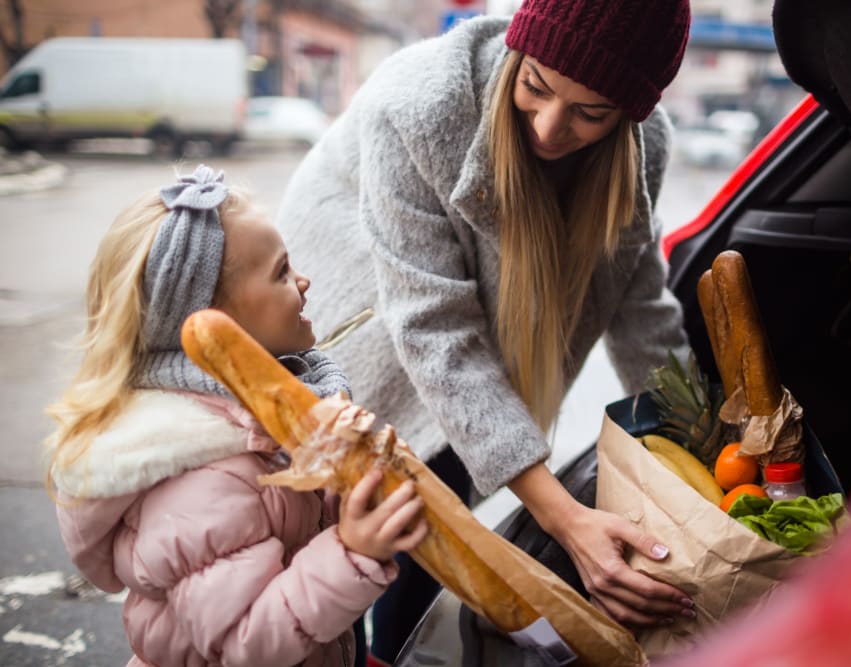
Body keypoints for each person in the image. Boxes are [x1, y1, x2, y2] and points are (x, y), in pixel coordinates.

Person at [277, 0, 696, 661]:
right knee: (338, 556)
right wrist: (569, 521)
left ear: (629, 117)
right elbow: (435, 331)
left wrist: (703, 445)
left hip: (469, 365)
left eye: (591, 114)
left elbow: (643, 308)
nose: (551, 128)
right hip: (364, 329)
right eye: (535, 85)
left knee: (427, 564)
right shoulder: (418, 104)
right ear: (518, 50)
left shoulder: (647, 150)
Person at [45, 165, 428, 667]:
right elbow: (243, 646)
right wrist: (351, 552)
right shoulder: (203, 479)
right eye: (282, 272)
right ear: (215, 329)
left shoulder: (268, 418)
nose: (305, 281)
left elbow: (289, 533)